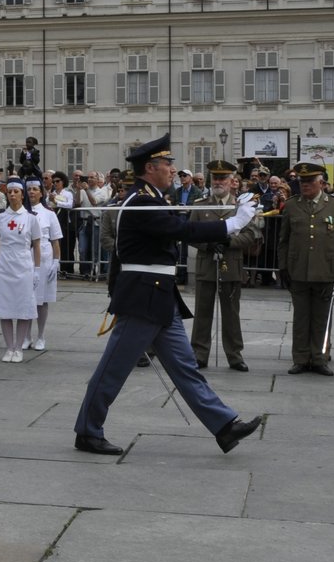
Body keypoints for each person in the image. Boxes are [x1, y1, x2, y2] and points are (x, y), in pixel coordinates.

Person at [72, 135, 262, 456]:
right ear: (151, 168)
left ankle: (224, 427)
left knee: (185, 368)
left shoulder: (154, 197)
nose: (173, 169)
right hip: (142, 297)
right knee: (113, 369)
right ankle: (88, 431)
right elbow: (183, 231)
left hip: (159, 296)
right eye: (168, 164)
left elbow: (178, 227)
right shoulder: (142, 200)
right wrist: (236, 221)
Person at [190, 160, 264, 372]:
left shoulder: (242, 206)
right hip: (206, 264)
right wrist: (207, 243)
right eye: (216, 178)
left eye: (223, 178)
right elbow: (189, 233)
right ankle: (199, 353)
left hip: (231, 264)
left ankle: (234, 355)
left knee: (231, 314)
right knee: (202, 313)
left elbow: (252, 234)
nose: (218, 182)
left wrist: (230, 242)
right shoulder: (200, 205)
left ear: (233, 181)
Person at [276, 162, 334, 376]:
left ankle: (319, 357)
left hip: (325, 268)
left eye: (309, 181)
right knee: (301, 317)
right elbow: (284, 240)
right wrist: (283, 267)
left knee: (322, 317)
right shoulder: (291, 205)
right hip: (298, 268)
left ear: (321, 183)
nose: (305, 185)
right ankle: (300, 358)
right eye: (302, 181)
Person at [0, 179, 41, 362]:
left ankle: (19, 347)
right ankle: (9, 347)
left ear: (22, 194)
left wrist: (37, 269)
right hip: (4, 264)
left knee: (23, 307)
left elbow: (36, 245)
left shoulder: (31, 218)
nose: (12, 195)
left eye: (16, 192)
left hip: (24, 264)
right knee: (5, 307)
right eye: (9, 192)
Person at [26, 180, 63, 350]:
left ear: (41, 193)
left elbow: (55, 241)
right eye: (28, 189)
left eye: (35, 189)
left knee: (42, 299)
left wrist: (56, 261)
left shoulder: (49, 213)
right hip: (25, 256)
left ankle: (40, 336)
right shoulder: (21, 212)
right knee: (26, 298)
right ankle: (25, 336)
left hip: (45, 255)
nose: (31, 192)